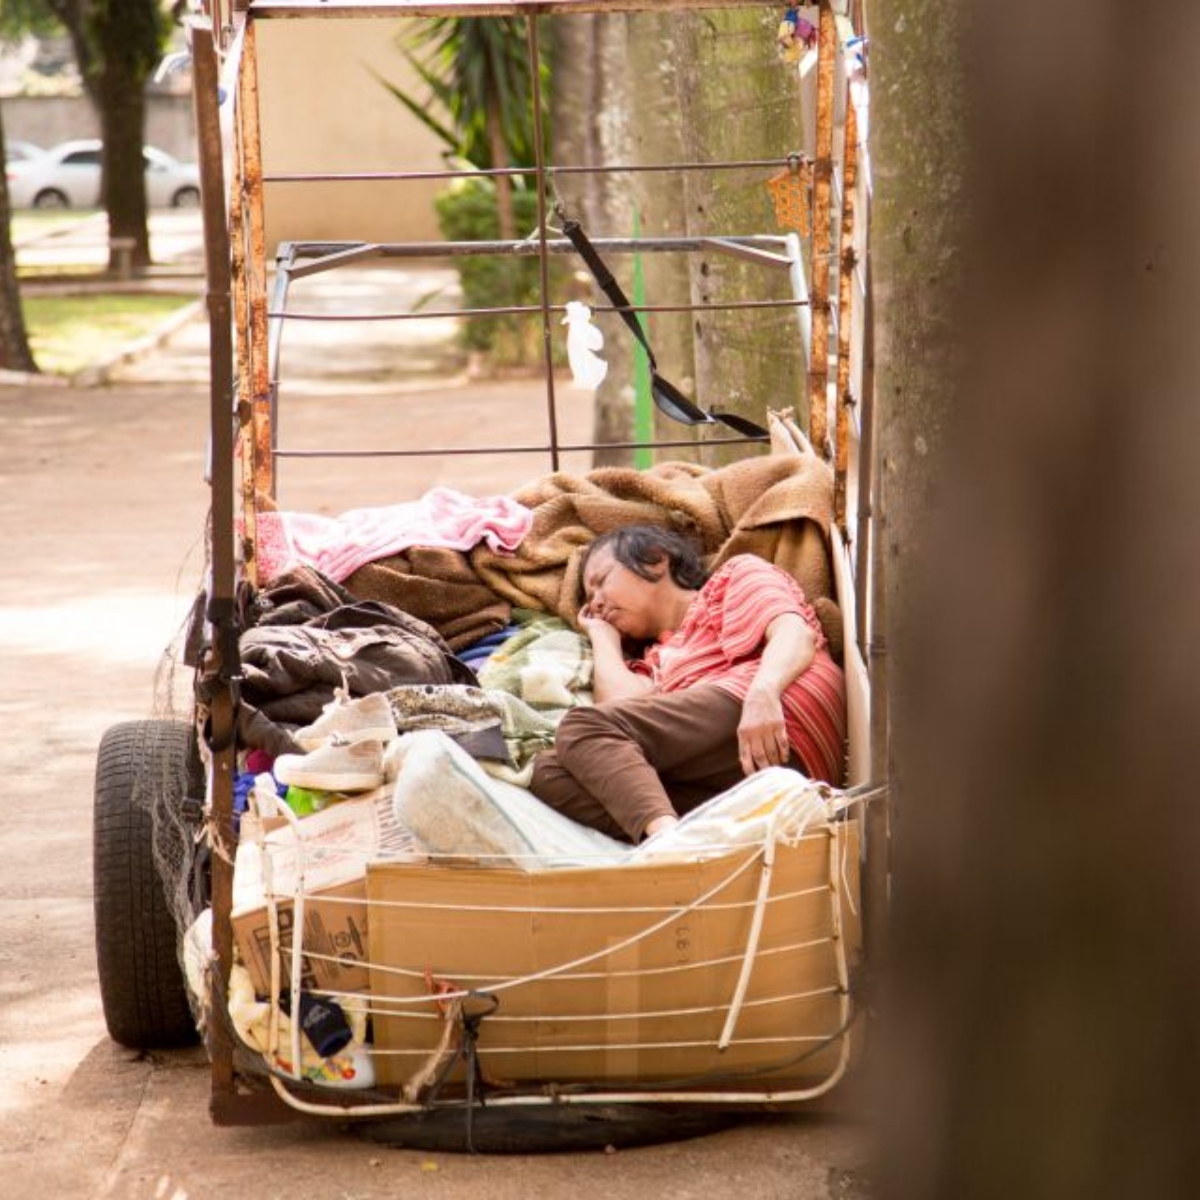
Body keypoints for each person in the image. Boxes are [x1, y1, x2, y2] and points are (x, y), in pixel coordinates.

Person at [529, 525, 847, 843]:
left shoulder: (734, 576)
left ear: (656, 559)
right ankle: (682, 835)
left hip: (781, 710)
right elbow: (616, 720)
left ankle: (668, 842)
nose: (596, 603)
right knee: (547, 772)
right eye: (589, 598)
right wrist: (601, 635)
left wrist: (764, 692)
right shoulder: (652, 661)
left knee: (579, 726)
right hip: (743, 775)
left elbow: (795, 633)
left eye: (601, 582)